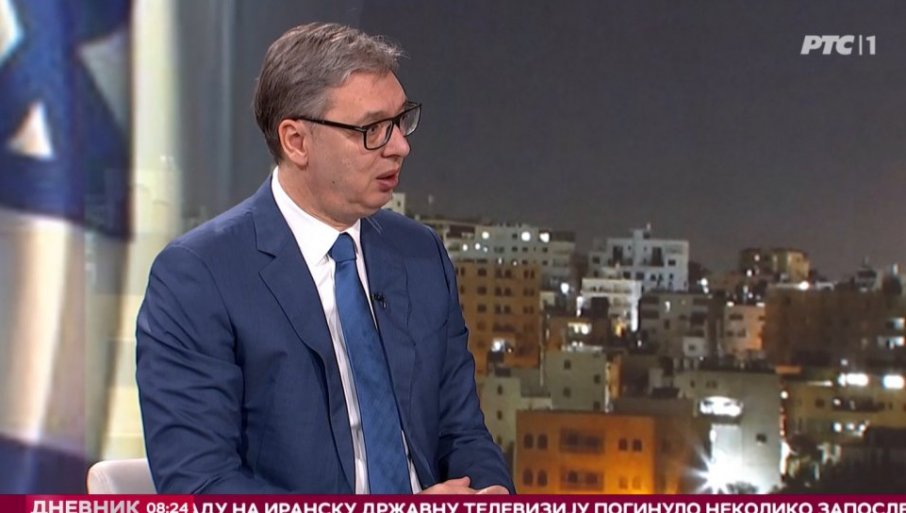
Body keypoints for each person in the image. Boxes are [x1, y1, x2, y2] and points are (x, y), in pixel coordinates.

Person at [135, 22, 514, 494]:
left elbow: (463, 434)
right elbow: (201, 483)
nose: (400, 146)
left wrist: (490, 496)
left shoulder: (420, 255)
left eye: (401, 121)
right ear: (296, 141)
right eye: (372, 129)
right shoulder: (199, 277)